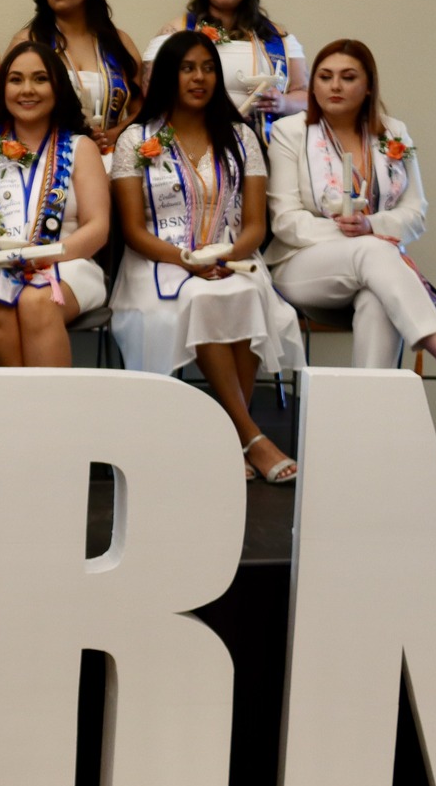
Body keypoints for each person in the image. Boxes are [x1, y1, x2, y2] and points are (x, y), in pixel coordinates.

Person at [110, 30, 304, 482]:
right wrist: (187, 259)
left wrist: (225, 256)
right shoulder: (136, 139)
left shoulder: (241, 137)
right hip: (157, 262)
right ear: (167, 78)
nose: (199, 78)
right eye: (187, 68)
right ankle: (250, 437)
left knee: (242, 292)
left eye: (209, 68)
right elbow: (134, 230)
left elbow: (256, 223)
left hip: (231, 258)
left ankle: (233, 439)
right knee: (202, 298)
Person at [265, 39, 436, 402]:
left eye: (347, 77)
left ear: (368, 86)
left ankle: (365, 417)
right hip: (299, 265)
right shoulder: (291, 132)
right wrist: (357, 235)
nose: (334, 86)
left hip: (377, 270)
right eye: (324, 76)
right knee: (372, 252)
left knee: (377, 300)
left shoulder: (394, 132)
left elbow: (416, 214)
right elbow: (286, 223)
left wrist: (372, 226)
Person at [0, 42, 111, 367]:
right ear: (3, 89)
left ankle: (41, 414)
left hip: (67, 262)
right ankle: (25, 406)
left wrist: (42, 256)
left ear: (58, 88)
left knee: (37, 299)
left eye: (40, 79)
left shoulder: (81, 148)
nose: (27, 90)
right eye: (16, 79)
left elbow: (98, 228)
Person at [143, 0, 307, 138]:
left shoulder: (278, 39)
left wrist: (283, 103)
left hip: (261, 143)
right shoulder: (174, 33)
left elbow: (306, 97)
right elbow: (152, 94)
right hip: (192, 138)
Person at [12, 0, 142, 155]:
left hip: (111, 154)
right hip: (49, 154)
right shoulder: (29, 41)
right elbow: (8, 103)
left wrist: (116, 133)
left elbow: (144, 108)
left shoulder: (118, 42)